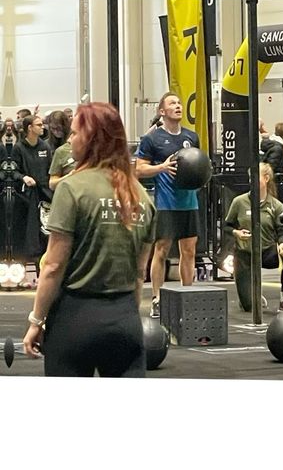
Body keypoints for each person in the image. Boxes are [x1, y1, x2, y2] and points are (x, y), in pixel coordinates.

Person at [23, 102, 155, 378]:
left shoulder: (72, 189)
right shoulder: (141, 196)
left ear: (92, 139)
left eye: (75, 133)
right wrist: (126, 316)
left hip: (75, 319)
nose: (70, 140)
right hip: (125, 320)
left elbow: (53, 266)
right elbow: (138, 275)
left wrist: (36, 320)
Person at [136, 92, 200, 318]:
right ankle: (157, 298)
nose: (178, 106)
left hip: (189, 201)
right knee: (161, 250)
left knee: (189, 251)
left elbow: (198, 165)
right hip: (166, 203)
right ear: (162, 111)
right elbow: (139, 169)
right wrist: (161, 168)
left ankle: (187, 296)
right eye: (173, 103)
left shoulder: (191, 137)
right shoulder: (152, 139)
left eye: (179, 103)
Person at [224, 162, 283, 312]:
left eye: (255, 177)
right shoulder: (239, 201)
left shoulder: (276, 205)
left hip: (266, 252)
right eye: (250, 177)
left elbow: (282, 230)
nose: (251, 180)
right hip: (245, 254)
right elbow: (227, 226)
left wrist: (282, 243)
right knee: (250, 307)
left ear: (266, 178)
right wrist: (236, 233)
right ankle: (250, 296)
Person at [10, 115, 53, 261]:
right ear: (30, 128)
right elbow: (14, 171)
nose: (43, 127)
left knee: (45, 229)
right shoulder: (19, 148)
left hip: (45, 194)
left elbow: (50, 170)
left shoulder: (45, 147)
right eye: (39, 125)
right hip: (27, 195)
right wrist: (24, 177)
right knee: (29, 229)